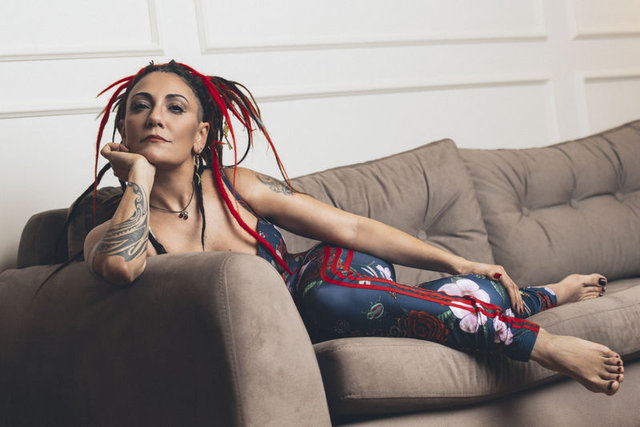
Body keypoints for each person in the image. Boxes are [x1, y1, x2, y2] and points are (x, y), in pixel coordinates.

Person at [82, 60, 623, 395]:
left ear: (200, 135)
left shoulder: (236, 184)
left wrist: (458, 258)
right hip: (307, 327)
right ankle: (542, 296)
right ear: (124, 131)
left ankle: (540, 343)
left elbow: (352, 229)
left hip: (330, 275)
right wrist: (139, 179)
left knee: (329, 296)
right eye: (140, 107)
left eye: (174, 108)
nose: (155, 117)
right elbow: (120, 267)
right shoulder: (109, 232)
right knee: (470, 295)